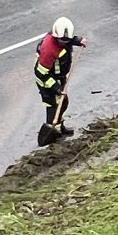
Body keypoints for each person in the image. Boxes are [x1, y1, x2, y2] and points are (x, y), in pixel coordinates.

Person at [34, 16, 86, 144]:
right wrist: (56, 88)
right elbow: (40, 73)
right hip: (47, 81)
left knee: (63, 103)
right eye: (62, 40)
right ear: (56, 37)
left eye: (66, 40)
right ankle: (52, 136)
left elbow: (68, 39)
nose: (64, 42)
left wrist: (78, 40)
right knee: (53, 106)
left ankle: (60, 127)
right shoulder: (49, 49)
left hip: (59, 76)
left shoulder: (62, 37)